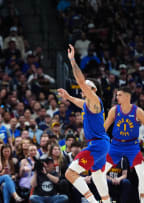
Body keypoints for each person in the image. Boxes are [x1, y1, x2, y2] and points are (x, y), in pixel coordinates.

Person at [58, 44, 110, 203]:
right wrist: (68, 97)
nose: (83, 88)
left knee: (70, 173)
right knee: (97, 175)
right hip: (101, 144)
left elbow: (80, 81)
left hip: (97, 146)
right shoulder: (88, 104)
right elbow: (77, 101)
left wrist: (72, 60)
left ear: (93, 90)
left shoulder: (94, 100)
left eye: (87, 86)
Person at [103, 87, 144, 203]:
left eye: (119, 95)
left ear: (127, 97)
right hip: (115, 146)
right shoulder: (114, 110)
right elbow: (104, 128)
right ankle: (104, 200)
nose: (117, 97)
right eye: (117, 95)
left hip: (132, 146)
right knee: (100, 172)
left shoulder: (137, 111)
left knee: (142, 174)